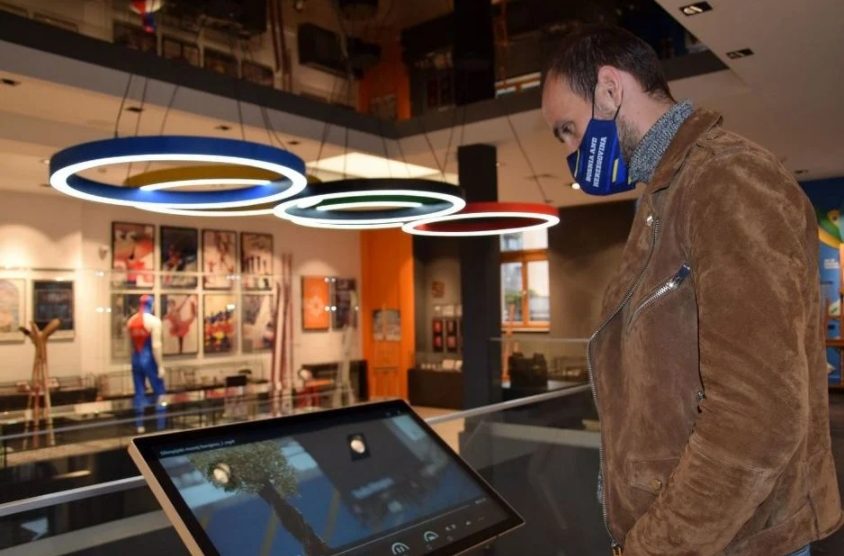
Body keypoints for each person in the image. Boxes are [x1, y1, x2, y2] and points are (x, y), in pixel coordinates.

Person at [540, 25, 842, 555]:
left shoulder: (727, 179)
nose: (570, 150)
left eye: (568, 129)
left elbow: (758, 418)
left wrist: (655, 546)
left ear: (609, 89)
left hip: (741, 540)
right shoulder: (665, 195)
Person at [127, 294, 166, 433]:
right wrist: (160, 365)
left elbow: (130, 346)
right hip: (149, 360)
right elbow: (156, 346)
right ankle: (160, 425)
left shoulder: (131, 321)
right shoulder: (154, 321)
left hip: (136, 359)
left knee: (139, 392)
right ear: (152, 304)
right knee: (160, 391)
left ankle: (139, 425)